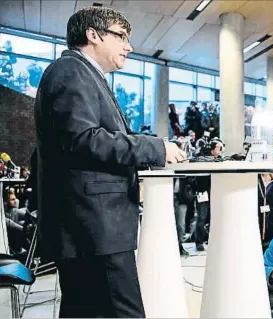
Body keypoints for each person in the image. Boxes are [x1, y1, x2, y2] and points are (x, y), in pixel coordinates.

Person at [33, 7, 186, 318]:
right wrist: (155, 147)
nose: (128, 46)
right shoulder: (71, 71)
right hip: (93, 226)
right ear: (93, 34)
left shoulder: (84, 75)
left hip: (89, 226)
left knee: (85, 310)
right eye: (120, 36)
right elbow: (84, 139)